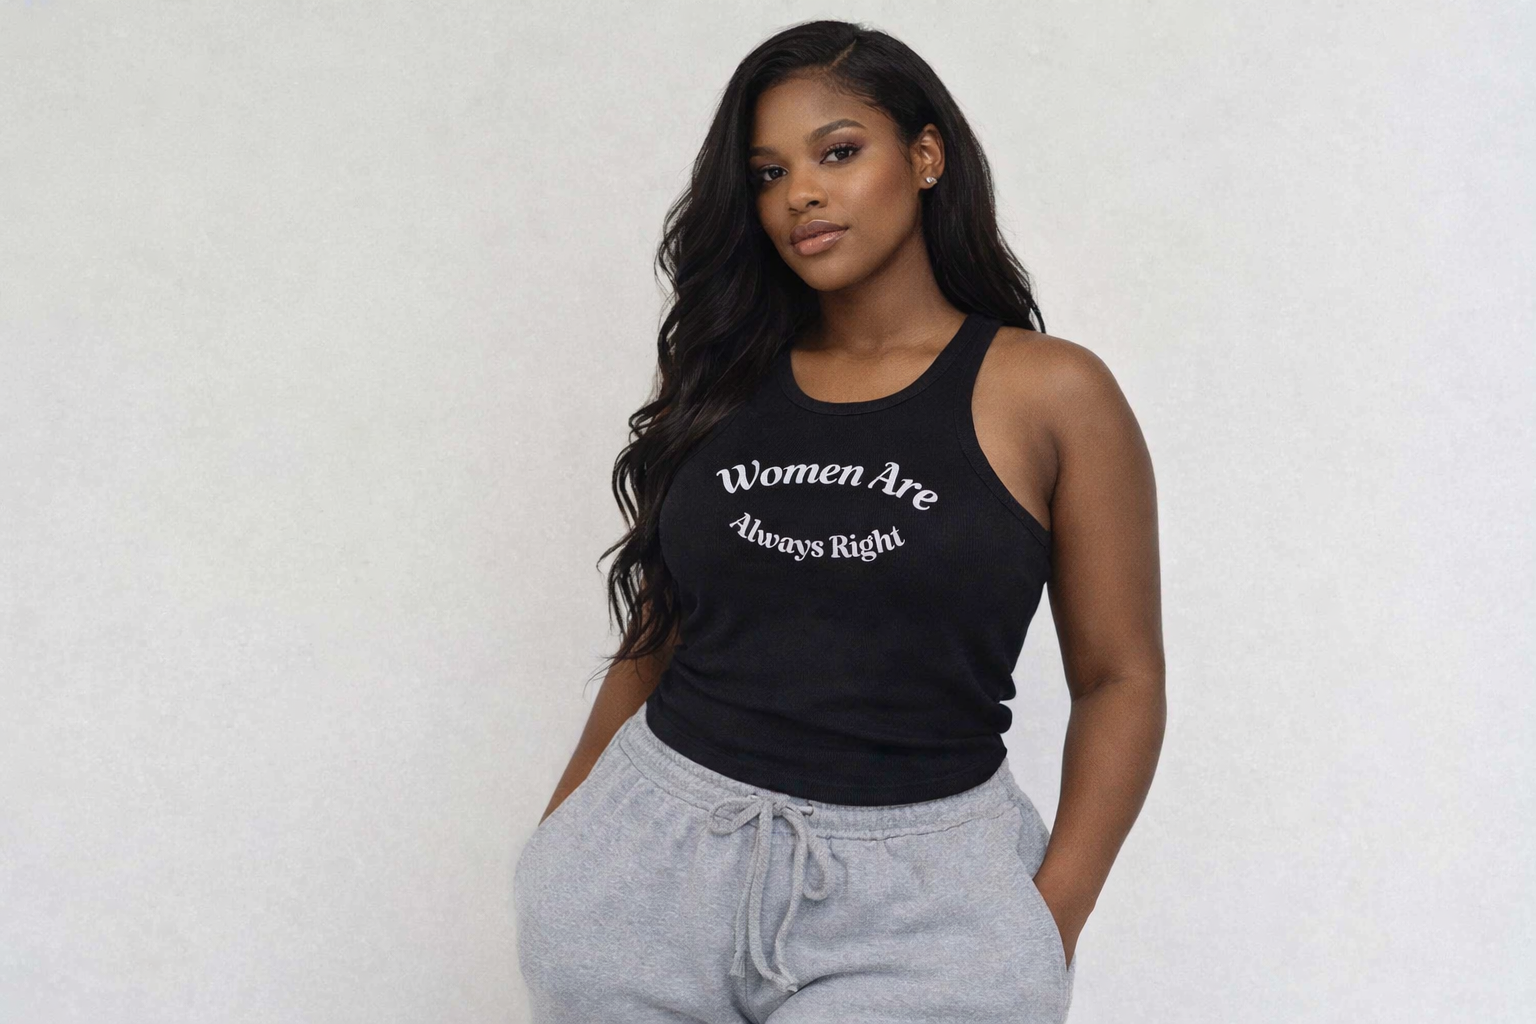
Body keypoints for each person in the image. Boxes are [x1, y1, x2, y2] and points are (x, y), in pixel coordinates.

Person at [512, 19, 1164, 1024]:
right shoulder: (721, 376)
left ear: (926, 155)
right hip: (644, 870)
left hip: (921, 907)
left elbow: (1121, 677)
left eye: (839, 152)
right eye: (769, 174)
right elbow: (659, 629)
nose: (800, 195)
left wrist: (1047, 922)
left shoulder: (1050, 393)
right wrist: (565, 836)